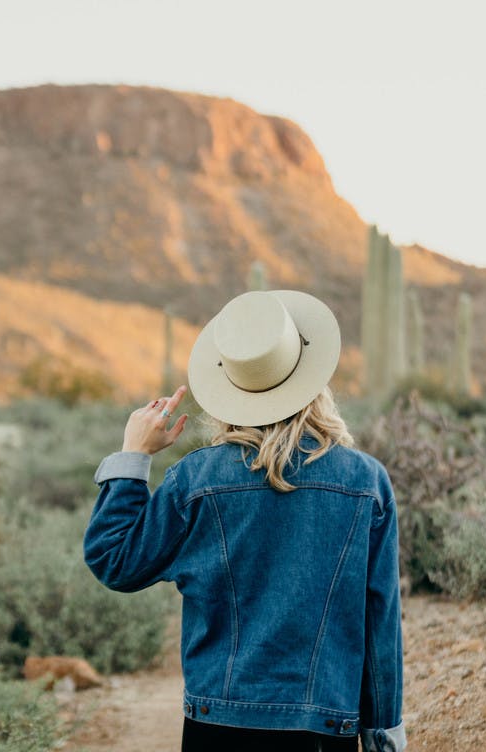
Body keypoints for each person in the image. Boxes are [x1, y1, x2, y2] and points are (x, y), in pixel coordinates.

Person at [84, 290, 406, 752]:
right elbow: (381, 622)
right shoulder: (366, 483)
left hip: (217, 728)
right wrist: (382, 733)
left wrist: (133, 456)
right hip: (323, 729)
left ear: (230, 386)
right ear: (311, 378)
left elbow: (114, 559)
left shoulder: (195, 480)